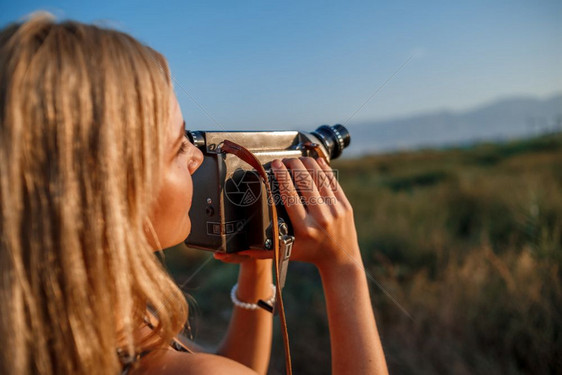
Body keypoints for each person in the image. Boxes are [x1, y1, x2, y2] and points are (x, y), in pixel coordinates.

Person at [0, 12, 388, 375]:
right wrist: (344, 267)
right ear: (109, 192)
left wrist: (256, 265)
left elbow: (226, 364)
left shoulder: (74, 319)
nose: (195, 160)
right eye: (177, 147)